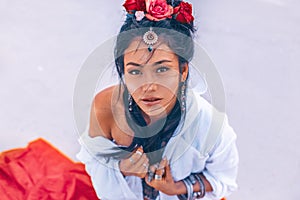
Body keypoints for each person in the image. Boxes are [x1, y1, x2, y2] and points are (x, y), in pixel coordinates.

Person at [77, 0, 238, 199]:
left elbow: (223, 178)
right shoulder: (106, 108)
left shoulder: (210, 125)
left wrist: (176, 188)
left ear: (183, 70)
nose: (149, 86)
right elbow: (93, 160)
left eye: (162, 69)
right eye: (135, 71)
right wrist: (122, 168)